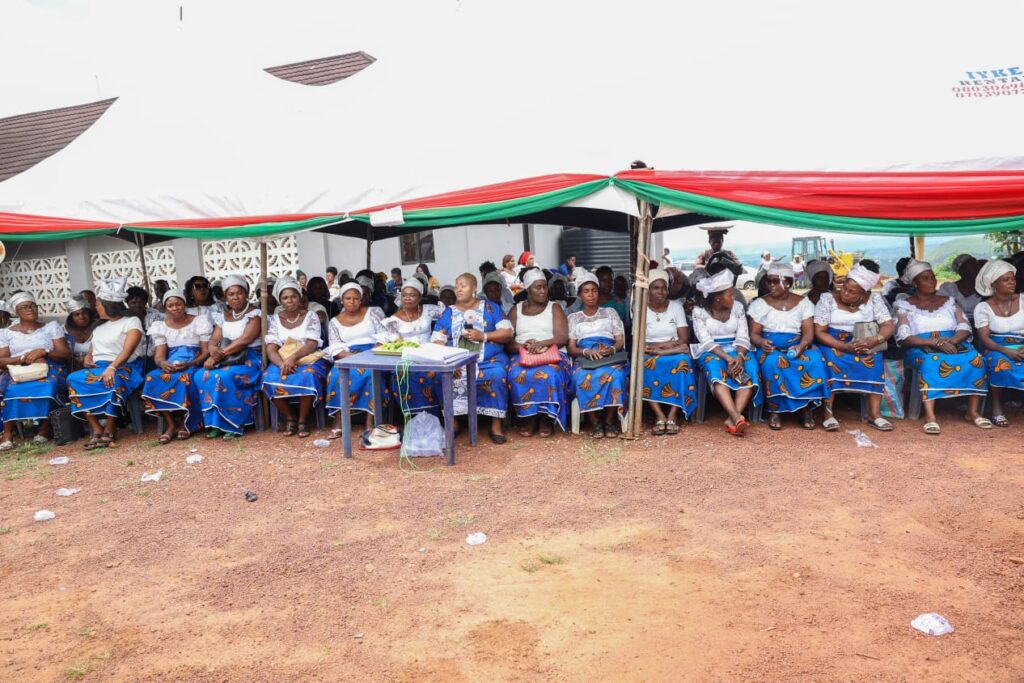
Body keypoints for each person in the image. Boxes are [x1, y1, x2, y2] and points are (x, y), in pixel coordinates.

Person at [894, 260, 989, 435]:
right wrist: (934, 343)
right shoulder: (904, 305)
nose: (931, 281)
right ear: (915, 283)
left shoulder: (949, 302)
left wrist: (951, 341)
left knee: (975, 358)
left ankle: (972, 411)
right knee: (931, 360)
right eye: (925, 278)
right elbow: (904, 336)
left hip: (953, 342)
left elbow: (964, 327)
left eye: (933, 277)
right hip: (920, 345)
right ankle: (930, 415)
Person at [432, 272, 514, 443]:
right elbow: (437, 340)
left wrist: (483, 336)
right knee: (442, 375)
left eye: (463, 286)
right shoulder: (449, 312)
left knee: (498, 373)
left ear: (474, 288)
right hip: (457, 363)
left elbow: (507, 333)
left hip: (488, 362)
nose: (458, 289)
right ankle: (454, 422)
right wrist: (450, 362)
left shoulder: (491, 308)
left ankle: (496, 425)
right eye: (456, 286)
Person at [813, 264, 895, 432]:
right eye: (844, 288)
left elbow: (888, 325)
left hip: (864, 341)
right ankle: (828, 414)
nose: (845, 293)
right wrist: (844, 346)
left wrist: (875, 340)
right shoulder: (827, 299)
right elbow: (819, 332)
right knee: (830, 359)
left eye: (852, 292)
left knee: (875, 359)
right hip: (833, 342)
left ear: (863, 294)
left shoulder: (874, 300)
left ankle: (874, 414)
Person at [67, 277, 145, 449]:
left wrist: (112, 367)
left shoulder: (131, 321)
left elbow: (127, 350)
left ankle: (110, 427)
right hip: (100, 366)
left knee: (111, 379)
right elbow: (92, 349)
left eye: (98, 304)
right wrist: (88, 358)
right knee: (73, 379)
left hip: (125, 366)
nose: (96, 307)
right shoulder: (99, 326)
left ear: (107, 305)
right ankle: (96, 428)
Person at [748, 263, 828, 430]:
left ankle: (805, 409)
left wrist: (802, 346)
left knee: (815, 360)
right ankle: (775, 410)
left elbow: (808, 333)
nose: (771, 285)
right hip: (770, 348)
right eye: (769, 281)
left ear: (788, 282)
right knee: (772, 362)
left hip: (797, 346)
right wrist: (761, 342)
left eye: (775, 281)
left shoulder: (804, 303)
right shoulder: (759, 304)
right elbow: (754, 334)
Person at [691, 269, 761, 436]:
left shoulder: (737, 308)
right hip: (711, 350)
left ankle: (733, 419)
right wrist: (728, 358)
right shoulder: (699, 312)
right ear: (717, 298)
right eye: (730, 295)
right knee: (715, 368)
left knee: (750, 367)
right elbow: (706, 341)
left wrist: (740, 357)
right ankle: (736, 417)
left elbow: (743, 335)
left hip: (738, 349)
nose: (734, 297)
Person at [0, 292, 71, 449]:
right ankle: (8, 434)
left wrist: (44, 351)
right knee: (12, 389)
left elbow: (65, 354)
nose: (30, 309)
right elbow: (2, 360)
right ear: (16, 311)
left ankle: (44, 430)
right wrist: (23, 358)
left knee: (48, 385)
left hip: (49, 367)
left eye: (33, 306)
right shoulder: (6, 333)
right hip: (19, 369)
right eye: (25, 307)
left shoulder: (51, 327)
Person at [507, 269, 573, 437]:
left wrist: (541, 344)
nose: (543, 291)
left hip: (552, 352)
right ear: (528, 290)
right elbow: (507, 341)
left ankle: (545, 418)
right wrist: (524, 347)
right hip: (523, 353)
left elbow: (562, 337)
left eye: (545, 287)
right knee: (516, 373)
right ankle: (528, 418)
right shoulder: (516, 310)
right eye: (538, 287)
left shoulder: (554, 308)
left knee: (550, 373)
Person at [143, 289, 213, 443]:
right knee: (152, 378)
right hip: (173, 364)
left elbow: (205, 352)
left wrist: (190, 363)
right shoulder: (160, 326)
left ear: (184, 304)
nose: (175, 308)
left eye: (178, 304)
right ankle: (171, 424)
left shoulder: (199, 322)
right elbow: (159, 356)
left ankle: (189, 423)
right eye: (170, 305)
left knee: (187, 378)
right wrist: (163, 363)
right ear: (165, 308)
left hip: (194, 363)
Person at [263, 277, 329, 438]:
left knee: (308, 375)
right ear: (280, 301)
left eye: (293, 296)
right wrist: (282, 364)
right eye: (285, 297)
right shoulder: (275, 320)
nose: (290, 300)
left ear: (300, 298)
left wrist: (292, 359)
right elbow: (270, 347)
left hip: (307, 357)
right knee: (268, 378)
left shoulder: (311, 316)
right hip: (283, 360)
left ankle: (302, 420)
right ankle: (290, 417)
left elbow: (312, 343)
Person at [199, 275, 263, 439]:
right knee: (201, 375)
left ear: (246, 294)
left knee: (224, 376)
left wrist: (217, 356)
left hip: (248, 359)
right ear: (225, 297)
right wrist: (213, 349)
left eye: (239, 293)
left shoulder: (255, 314)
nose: (235, 297)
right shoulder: (224, 316)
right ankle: (216, 423)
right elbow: (214, 339)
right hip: (226, 358)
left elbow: (245, 340)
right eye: (231, 294)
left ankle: (232, 423)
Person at [567, 273, 628, 438]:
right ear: (580, 295)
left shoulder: (610, 312)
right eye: (586, 291)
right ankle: (594, 421)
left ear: (598, 293)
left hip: (609, 356)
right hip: (585, 357)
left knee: (616, 375)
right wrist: (586, 351)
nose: (591, 294)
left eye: (594, 290)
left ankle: (609, 420)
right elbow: (571, 348)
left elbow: (620, 340)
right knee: (581, 377)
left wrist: (612, 350)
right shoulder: (574, 318)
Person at [324, 282, 387, 434]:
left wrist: (371, 354)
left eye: (356, 298)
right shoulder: (334, 322)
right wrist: (354, 357)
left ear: (361, 300)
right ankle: (339, 420)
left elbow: (384, 336)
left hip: (373, 354)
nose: (352, 302)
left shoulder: (373, 313)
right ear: (341, 300)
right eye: (348, 298)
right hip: (348, 356)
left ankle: (369, 421)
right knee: (335, 376)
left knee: (370, 375)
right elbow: (335, 347)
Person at [642, 269, 698, 435]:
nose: (661, 292)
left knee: (682, 362)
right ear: (648, 290)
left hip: (671, 352)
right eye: (656, 288)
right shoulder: (641, 308)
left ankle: (673, 414)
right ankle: (659, 415)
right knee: (644, 364)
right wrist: (671, 344)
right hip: (652, 352)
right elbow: (640, 341)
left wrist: (660, 348)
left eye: (664, 288)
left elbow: (684, 338)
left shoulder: (676, 306)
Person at [379, 279, 445, 415]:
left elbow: (447, 318)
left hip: (430, 354)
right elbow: (394, 341)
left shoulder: (430, 310)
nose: (407, 298)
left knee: (436, 374)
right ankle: (412, 416)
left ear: (420, 297)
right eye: (404, 295)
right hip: (406, 357)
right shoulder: (394, 319)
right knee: (403, 374)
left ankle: (434, 415)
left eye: (412, 295)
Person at [973, 260, 1024, 426]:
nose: (1012, 282)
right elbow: (984, 338)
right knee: (998, 361)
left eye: (1013, 279)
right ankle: (997, 406)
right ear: (993, 284)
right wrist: (1006, 350)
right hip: (996, 347)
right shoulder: (983, 308)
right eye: (1006, 280)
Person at [937, 254, 983, 322]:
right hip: (957, 323)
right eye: (973, 267)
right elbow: (940, 306)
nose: (978, 269)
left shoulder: (986, 288)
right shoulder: (949, 289)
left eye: (977, 266)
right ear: (962, 272)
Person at [64, 296, 97, 371]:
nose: (81, 317)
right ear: (71, 317)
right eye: (77, 314)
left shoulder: (98, 328)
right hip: (71, 369)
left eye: (84, 313)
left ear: (89, 313)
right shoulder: (63, 331)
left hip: (96, 366)